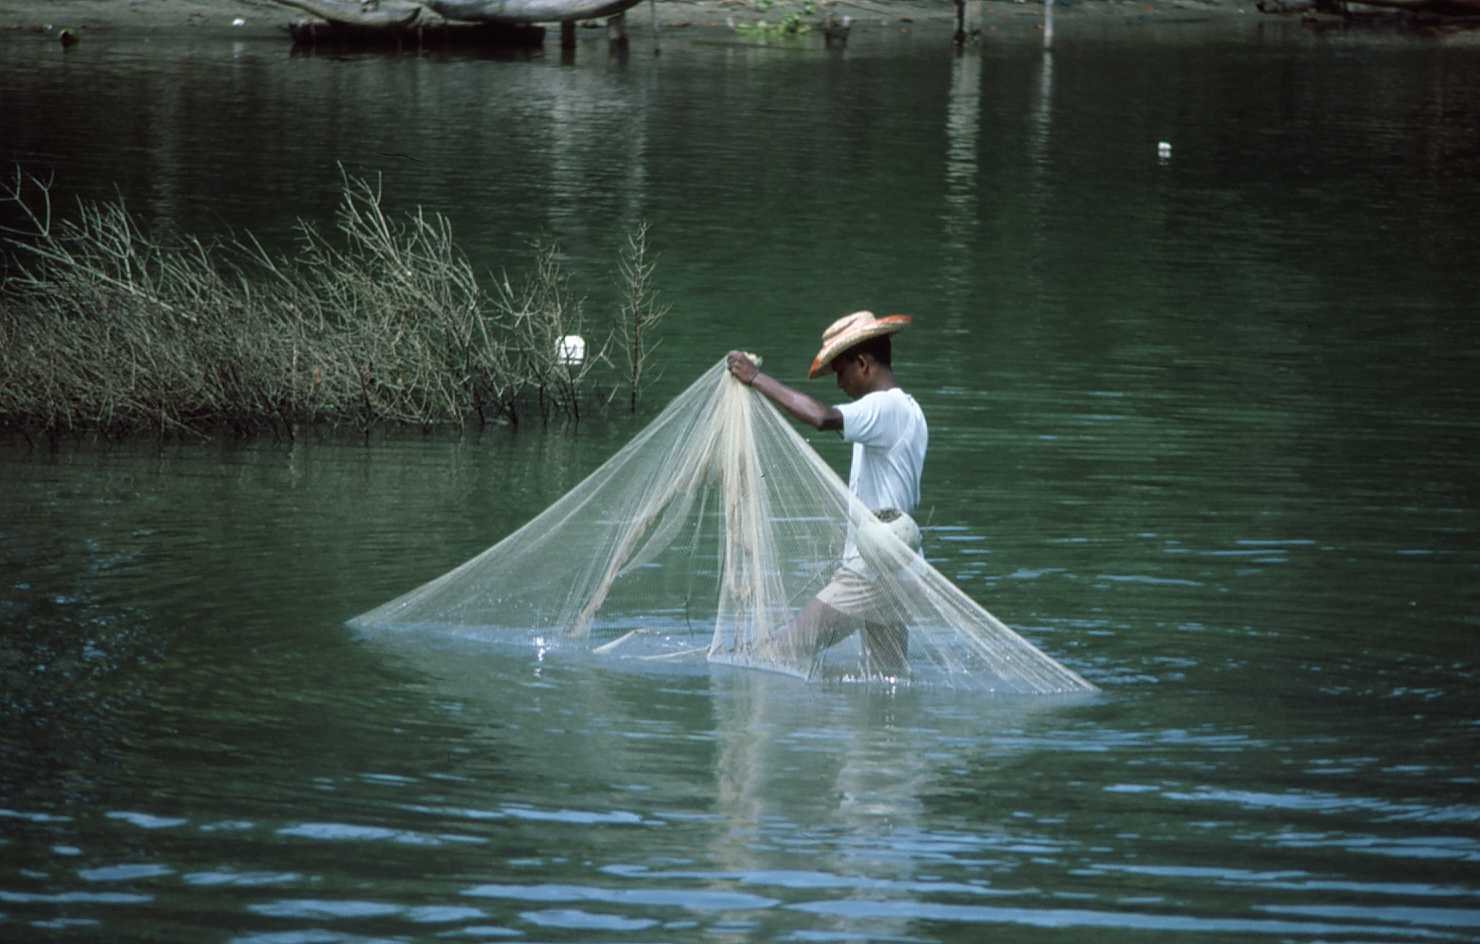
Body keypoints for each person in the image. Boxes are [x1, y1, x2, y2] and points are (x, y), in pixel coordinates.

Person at [725, 310, 928, 678]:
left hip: (871, 574)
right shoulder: (910, 411)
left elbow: (822, 417)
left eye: (840, 371)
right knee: (888, 680)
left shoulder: (884, 407)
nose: (838, 383)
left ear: (863, 364)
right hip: (901, 570)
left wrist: (755, 378)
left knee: (776, 653)